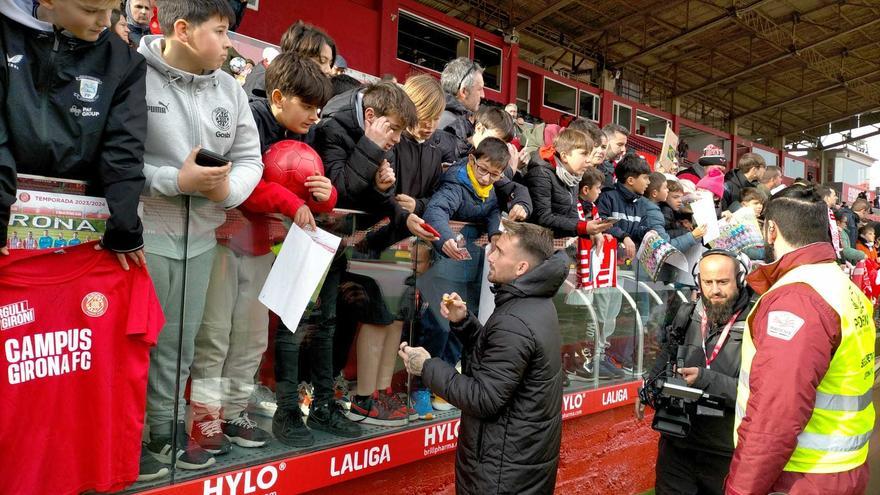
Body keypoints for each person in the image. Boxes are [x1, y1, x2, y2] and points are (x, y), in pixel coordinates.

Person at [138, 0, 262, 473]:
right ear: (184, 30)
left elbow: (252, 158)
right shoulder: (137, 76)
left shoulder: (230, 89)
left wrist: (228, 190)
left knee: (182, 343)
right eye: (222, 31)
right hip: (143, 236)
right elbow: (117, 155)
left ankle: (165, 429)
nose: (230, 43)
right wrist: (176, 181)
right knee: (139, 342)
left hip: (203, 238)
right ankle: (131, 434)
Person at [190, 52, 336, 453]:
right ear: (276, 97)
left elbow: (308, 193)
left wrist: (325, 196)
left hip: (259, 247)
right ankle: (204, 419)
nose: (313, 116)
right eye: (306, 106)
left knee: (253, 337)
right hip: (221, 240)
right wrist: (292, 203)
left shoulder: (303, 135)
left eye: (318, 108)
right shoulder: (247, 118)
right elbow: (242, 186)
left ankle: (235, 412)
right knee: (215, 335)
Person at [398, 220, 569, 495]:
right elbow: (502, 362)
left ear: (521, 268)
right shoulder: (532, 303)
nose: (489, 256)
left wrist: (427, 366)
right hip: (515, 462)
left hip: (500, 472)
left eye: (499, 252)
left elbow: (483, 398)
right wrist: (465, 323)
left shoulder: (515, 319)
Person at [726, 186, 875, 495]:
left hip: (800, 475)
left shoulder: (797, 297)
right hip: (842, 468)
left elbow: (775, 415)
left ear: (771, 230)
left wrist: (740, 490)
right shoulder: (840, 285)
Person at [0, 0, 147, 267]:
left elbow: (124, 149)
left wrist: (124, 226)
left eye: (112, 11)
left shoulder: (124, 62)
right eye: (91, 11)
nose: (104, 22)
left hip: (79, 229)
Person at [641, 250, 754, 495]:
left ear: (740, 279)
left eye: (723, 282)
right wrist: (649, 386)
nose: (714, 290)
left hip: (726, 451)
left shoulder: (758, 321)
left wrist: (705, 379)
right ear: (698, 282)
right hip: (678, 442)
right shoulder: (687, 313)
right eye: (707, 282)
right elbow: (668, 353)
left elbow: (759, 393)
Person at [525, 128, 611, 239]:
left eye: (589, 154)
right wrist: (583, 227)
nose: (589, 160)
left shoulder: (574, 177)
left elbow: (572, 217)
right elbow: (543, 217)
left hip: (558, 243)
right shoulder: (541, 173)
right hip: (536, 244)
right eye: (584, 154)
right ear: (564, 156)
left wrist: (591, 233)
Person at [243, 20, 336, 97]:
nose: (328, 70)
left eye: (330, 63)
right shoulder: (265, 85)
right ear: (299, 55)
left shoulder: (284, 81)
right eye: (322, 61)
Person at [596, 154, 652, 261]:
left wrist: (648, 232)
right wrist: (623, 236)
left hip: (627, 261)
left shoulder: (640, 204)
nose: (648, 182)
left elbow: (640, 228)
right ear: (630, 180)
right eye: (645, 178)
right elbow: (601, 224)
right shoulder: (608, 197)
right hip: (607, 258)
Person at [435, 57, 485, 162]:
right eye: (479, 89)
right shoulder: (450, 123)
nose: (483, 95)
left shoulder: (440, 115)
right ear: (464, 92)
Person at [599, 123, 629, 189]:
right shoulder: (591, 168)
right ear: (605, 142)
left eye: (625, 145)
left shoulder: (616, 168)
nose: (623, 149)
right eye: (619, 144)